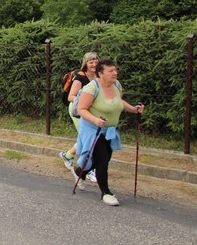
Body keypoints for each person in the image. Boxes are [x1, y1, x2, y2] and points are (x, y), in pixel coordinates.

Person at [74, 58, 146, 206]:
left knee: (103, 159)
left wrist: (134, 109)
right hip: (92, 129)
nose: (115, 73)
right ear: (100, 74)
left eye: (115, 70)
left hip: (109, 130)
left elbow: (118, 102)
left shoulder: (117, 85)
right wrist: (95, 120)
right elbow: (81, 109)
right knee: (102, 160)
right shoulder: (91, 88)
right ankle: (106, 193)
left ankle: (80, 171)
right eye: (110, 71)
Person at [59, 52, 99, 185]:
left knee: (87, 137)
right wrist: (86, 100)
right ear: (85, 64)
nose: (94, 64)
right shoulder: (80, 77)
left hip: (90, 110)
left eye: (96, 61)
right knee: (89, 137)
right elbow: (71, 96)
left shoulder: (99, 76)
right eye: (91, 62)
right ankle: (89, 168)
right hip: (77, 110)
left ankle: (68, 156)